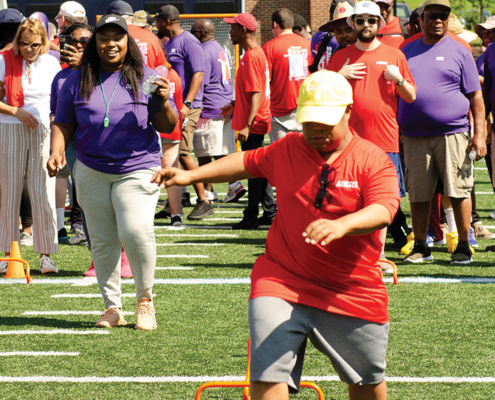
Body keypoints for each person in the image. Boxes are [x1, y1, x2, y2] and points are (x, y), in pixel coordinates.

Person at [151, 70, 400, 400]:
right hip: (282, 279)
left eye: (326, 123)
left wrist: (343, 224)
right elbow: (246, 161)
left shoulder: (373, 160)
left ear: (348, 112)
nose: (317, 131)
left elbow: (385, 209)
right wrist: (191, 175)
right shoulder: (288, 147)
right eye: (310, 122)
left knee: (367, 383)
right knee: (267, 374)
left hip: (350, 288)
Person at [47, 15, 178, 330]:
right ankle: (112, 308)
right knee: (103, 240)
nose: (110, 44)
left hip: (137, 166)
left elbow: (167, 126)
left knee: (134, 230)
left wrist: (162, 103)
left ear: (127, 42)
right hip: (91, 167)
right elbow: (64, 121)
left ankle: (145, 301)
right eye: (103, 38)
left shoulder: (146, 77)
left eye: (117, 38)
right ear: (95, 43)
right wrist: (56, 150)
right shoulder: (76, 80)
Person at [328, 1, 416, 271]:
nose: (366, 25)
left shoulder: (395, 55)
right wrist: (338, 76)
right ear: (352, 24)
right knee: (346, 199)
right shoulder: (340, 57)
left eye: (372, 20)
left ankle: (376, 257)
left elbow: (411, 96)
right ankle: (350, 255)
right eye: (360, 20)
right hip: (346, 141)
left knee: (380, 200)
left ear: (380, 24)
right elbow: (323, 95)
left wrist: (398, 79)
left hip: (384, 140)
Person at [399, 0, 486, 264]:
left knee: (458, 190)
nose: (438, 20)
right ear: (421, 19)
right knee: (419, 194)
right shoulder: (406, 50)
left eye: (443, 15)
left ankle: (462, 245)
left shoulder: (460, 49)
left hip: (453, 132)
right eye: (432, 15)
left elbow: (476, 96)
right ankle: (421, 245)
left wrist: (479, 134)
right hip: (414, 135)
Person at [0, 18, 61, 274]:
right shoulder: (3, 59)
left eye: (34, 44)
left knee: (42, 192)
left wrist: (57, 137)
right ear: (17, 40)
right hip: (9, 126)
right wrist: (16, 112)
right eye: (24, 43)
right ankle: (7, 255)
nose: (28, 49)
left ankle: (45, 255)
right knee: (9, 192)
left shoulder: (51, 62)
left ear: (43, 43)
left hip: (43, 130)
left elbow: (58, 101)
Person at [155, 5, 215, 220]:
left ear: (167, 22)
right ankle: (175, 201)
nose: (156, 24)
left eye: (158, 21)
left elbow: (198, 74)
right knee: (168, 155)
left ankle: (204, 199)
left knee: (181, 153)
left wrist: (188, 103)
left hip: (187, 104)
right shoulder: (169, 42)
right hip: (172, 104)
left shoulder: (189, 41)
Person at [221, 13, 277, 230]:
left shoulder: (252, 56)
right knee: (258, 168)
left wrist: (248, 125)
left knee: (252, 169)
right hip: (256, 118)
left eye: (234, 27)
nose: (230, 31)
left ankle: (251, 215)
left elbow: (256, 94)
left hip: (254, 121)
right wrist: (235, 104)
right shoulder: (255, 54)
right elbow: (253, 90)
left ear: (243, 30)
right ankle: (269, 210)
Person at [190, 19, 244, 204]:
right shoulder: (220, 48)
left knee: (204, 152)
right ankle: (233, 184)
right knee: (221, 150)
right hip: (225, 102)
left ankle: (209, 190)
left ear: (201, 34)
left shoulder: (203, 51)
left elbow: (201, 82)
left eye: (193, 32)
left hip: (211, 105)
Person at [263, 9, 312, 143]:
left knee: (282, 157)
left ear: (275, 25)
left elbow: (265, 82)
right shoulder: (308, 44)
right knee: (305, 154)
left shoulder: (269, 47)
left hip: (279, 111)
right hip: (305, 106)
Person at [106, 1, 166, 69]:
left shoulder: (111, 37)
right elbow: (162, 68)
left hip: (121, 78)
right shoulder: (152, 38)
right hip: (148, 78)